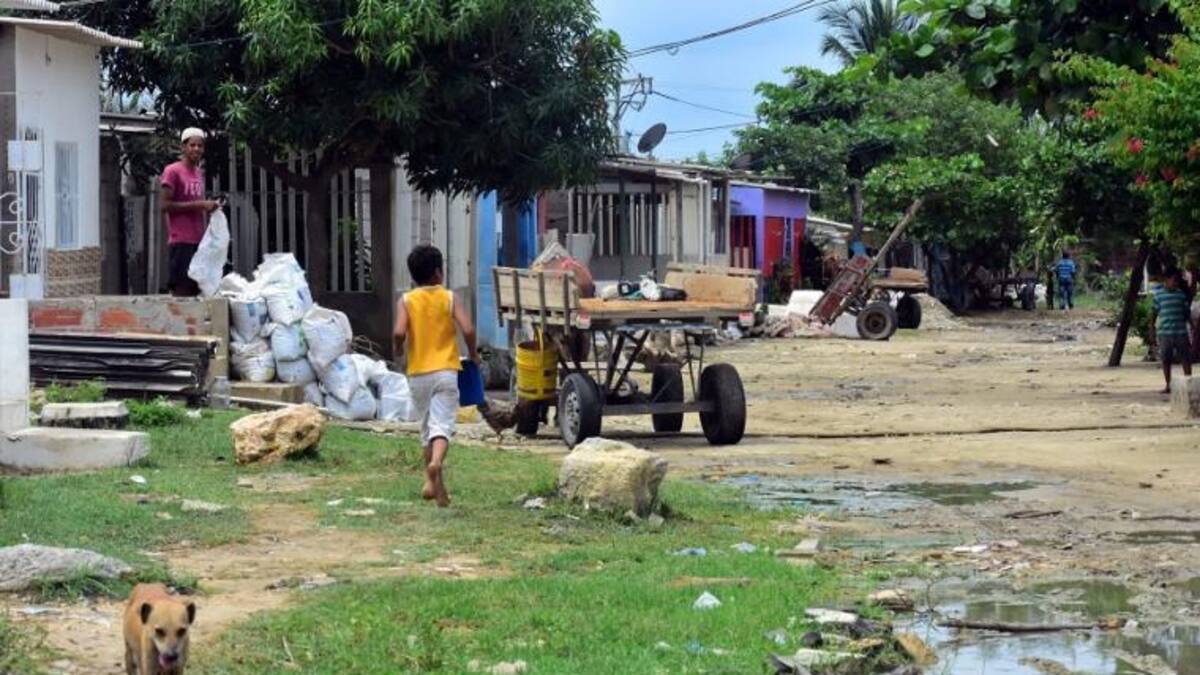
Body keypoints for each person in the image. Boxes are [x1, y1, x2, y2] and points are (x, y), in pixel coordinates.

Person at [393, 245, 479, 507]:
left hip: (418, 373)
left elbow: (399, 332)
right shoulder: (450, 297)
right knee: (441, 426)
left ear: (413, 275)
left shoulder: (406, 300)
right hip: (446, 372)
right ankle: (436, 463)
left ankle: (434, 486)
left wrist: (399, 350)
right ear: (439, 272)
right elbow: (468, 329)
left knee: (426, 428)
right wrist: (473, 354)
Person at [160, 128, 221, 296]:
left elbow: (197, 204)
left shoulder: (198, 173)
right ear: (183, 147)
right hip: (181, 240)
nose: (196, 149)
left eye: (200, 146)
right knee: (182, 290)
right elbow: (165, 205)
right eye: (192, 145)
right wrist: (200, 204)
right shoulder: (172, 171)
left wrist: (210, 207)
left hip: (199, 240)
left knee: (197, 290)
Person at [1153, 270, 1193, 394]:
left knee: (1185, 358)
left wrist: (1192, 326)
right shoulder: (1158, 295)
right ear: (1167, 279)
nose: (1175, 283)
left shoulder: (1181, 295)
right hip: (1165, 332)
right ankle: (1168, 385)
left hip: (1180, 331)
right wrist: (1151, 330)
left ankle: (1188, 384)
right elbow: (1154, 314)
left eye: (1177, 281)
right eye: (1174, 280)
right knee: (1166, 359)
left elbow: (1186, 313)